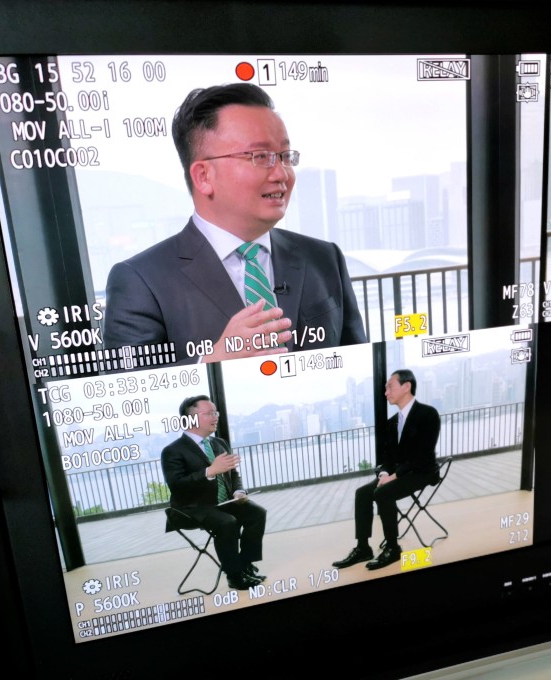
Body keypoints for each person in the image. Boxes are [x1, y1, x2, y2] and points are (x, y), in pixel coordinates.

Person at [103, 83, 367, 363]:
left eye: (285, 156)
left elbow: (361, 364)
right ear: (204, 176)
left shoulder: (324, 258)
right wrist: (212, 364)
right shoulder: (139, 281)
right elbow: (129, 392)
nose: (281, 173)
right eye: (260, 157)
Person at [333, 370, 441, 570]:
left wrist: (394, 476)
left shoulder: (428, 414)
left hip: (422, 472)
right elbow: (387, 458)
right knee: (363, 493)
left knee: (383, 492)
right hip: (398, 473)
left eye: (390, 386)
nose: (386, 392)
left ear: (406, 386)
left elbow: (423, 455)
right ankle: (363, 548)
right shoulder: (392, 423)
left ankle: (393, 548)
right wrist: (384, 474)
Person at [162, 395, 267, 590]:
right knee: (227, 522)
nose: (215, 417)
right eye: (209, 413)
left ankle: (244, 564)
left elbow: (233, 474)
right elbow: (177, 486)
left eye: (216, 412)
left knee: (257, 513)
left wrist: (238, 491)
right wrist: (209, 471)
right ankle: (235, 577)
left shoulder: (219, 444)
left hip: (224, 502)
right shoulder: (173, 451)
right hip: (192, 507)